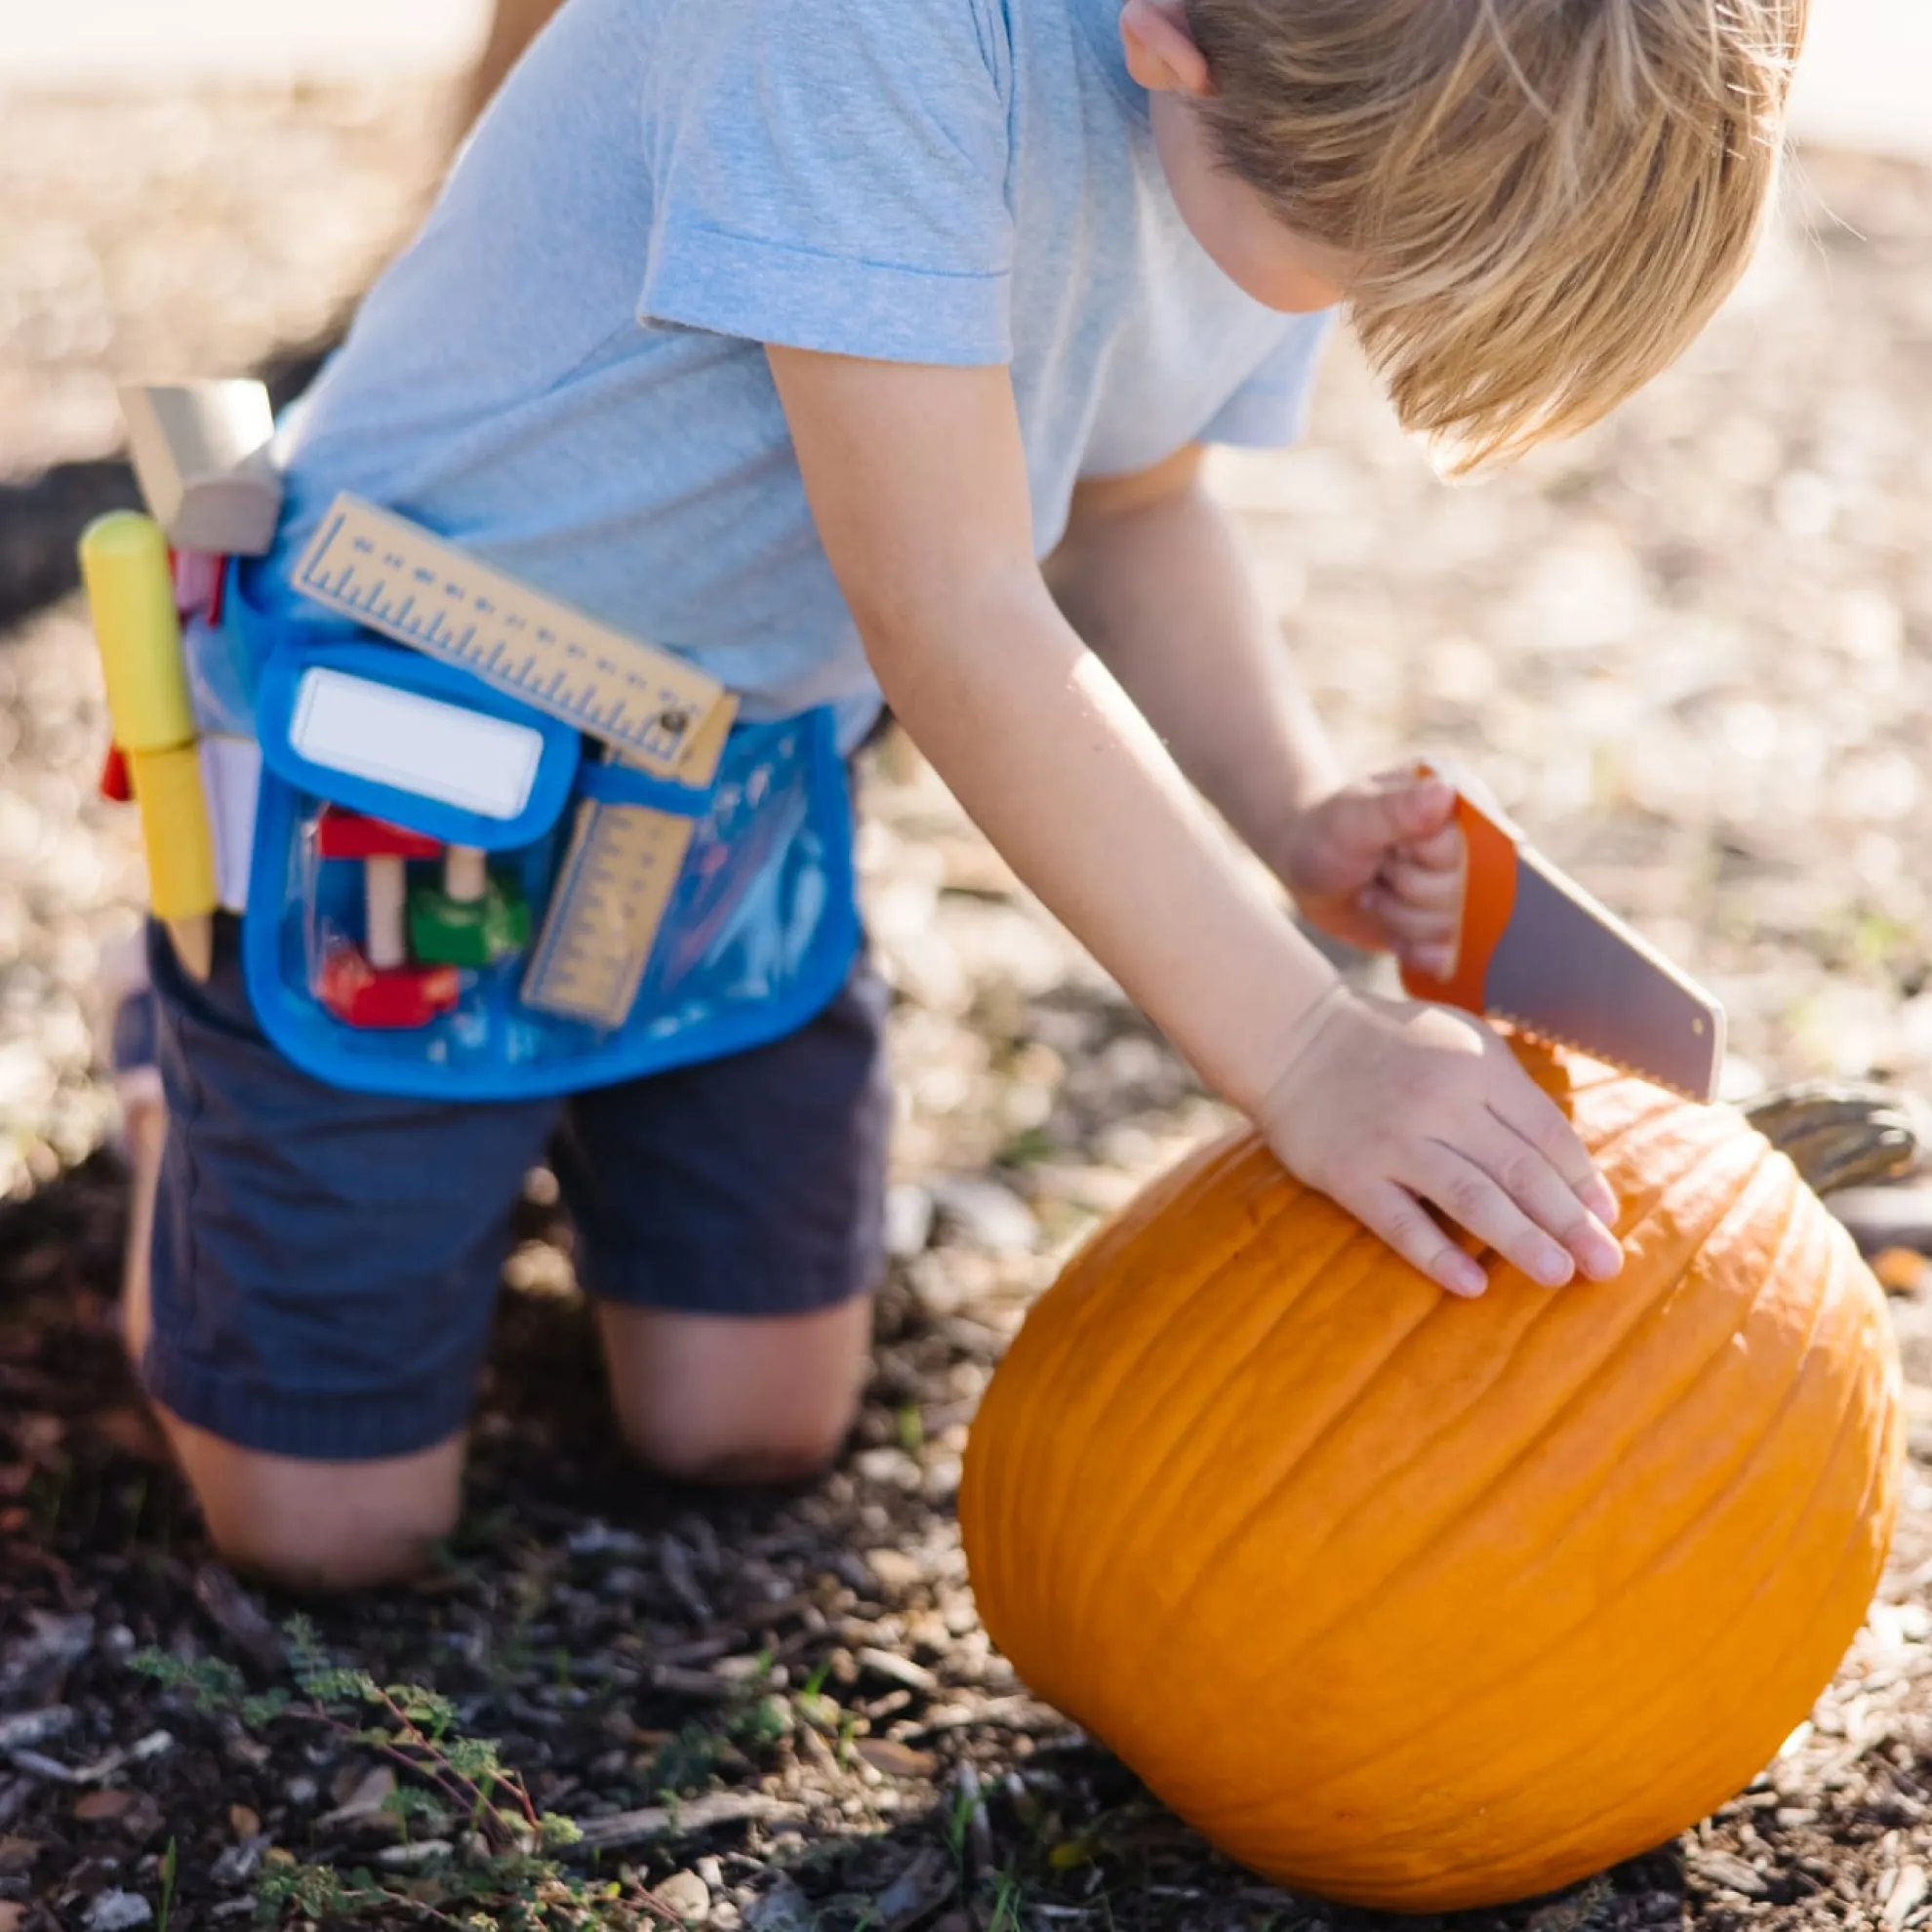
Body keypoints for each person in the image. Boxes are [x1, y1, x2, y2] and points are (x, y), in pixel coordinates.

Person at [112, 0, 1804, 1589]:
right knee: (327, 1532)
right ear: (1168, 48)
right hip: (403, 760)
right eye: (1353, 272)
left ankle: (480, 1137)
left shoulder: (1295, 80)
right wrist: (1308, 1051)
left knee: (747, 1425)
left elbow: (1130, 510)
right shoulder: (866, 42)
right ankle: (180, 1081)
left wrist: (1290, 812)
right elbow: (958, 616)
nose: (1343, 315)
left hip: (721, 807)